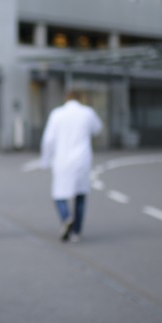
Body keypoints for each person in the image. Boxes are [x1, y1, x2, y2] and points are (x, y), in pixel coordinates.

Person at [40, 90, 102, 242]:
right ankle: (76, 232)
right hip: (82, 159)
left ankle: (66, 217)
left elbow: (48, 139)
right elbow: (98, 129)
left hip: (62, 159)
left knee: (59, 194)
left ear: (66, 99)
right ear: (80, 98)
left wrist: (45, 159)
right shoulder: (87, 112)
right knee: (80, 194)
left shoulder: (57, 114)